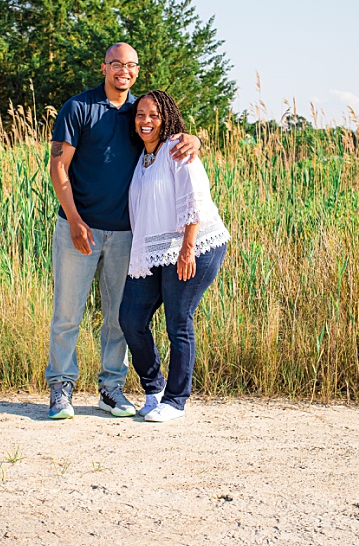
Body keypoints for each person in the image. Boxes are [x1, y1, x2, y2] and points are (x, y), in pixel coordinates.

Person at [45, 43, 200, 420]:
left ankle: (111, 388)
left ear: (137, 70)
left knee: (117, 317)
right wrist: (76, 219)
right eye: (116, 64)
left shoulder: (140, 113)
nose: (123, 71)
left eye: (130, 65)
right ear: (104, 68)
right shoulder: (79, 107)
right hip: (77, 229)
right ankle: (61, 389)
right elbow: (57, 168)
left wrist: (196, 139)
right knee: (68, 313)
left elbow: (172, 137)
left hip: (128, 235)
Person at [118, 90, 230, 423]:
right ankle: (154, 388)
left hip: (195, 246)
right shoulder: (143, 157)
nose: (146, 121)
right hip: (156, 251)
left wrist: (187, 249)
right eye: (140, 114)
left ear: (166, 117)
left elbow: (194, 198)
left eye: (153, 115)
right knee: (131, 319)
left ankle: (176, 400)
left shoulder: (177, 149)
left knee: (178, 322)